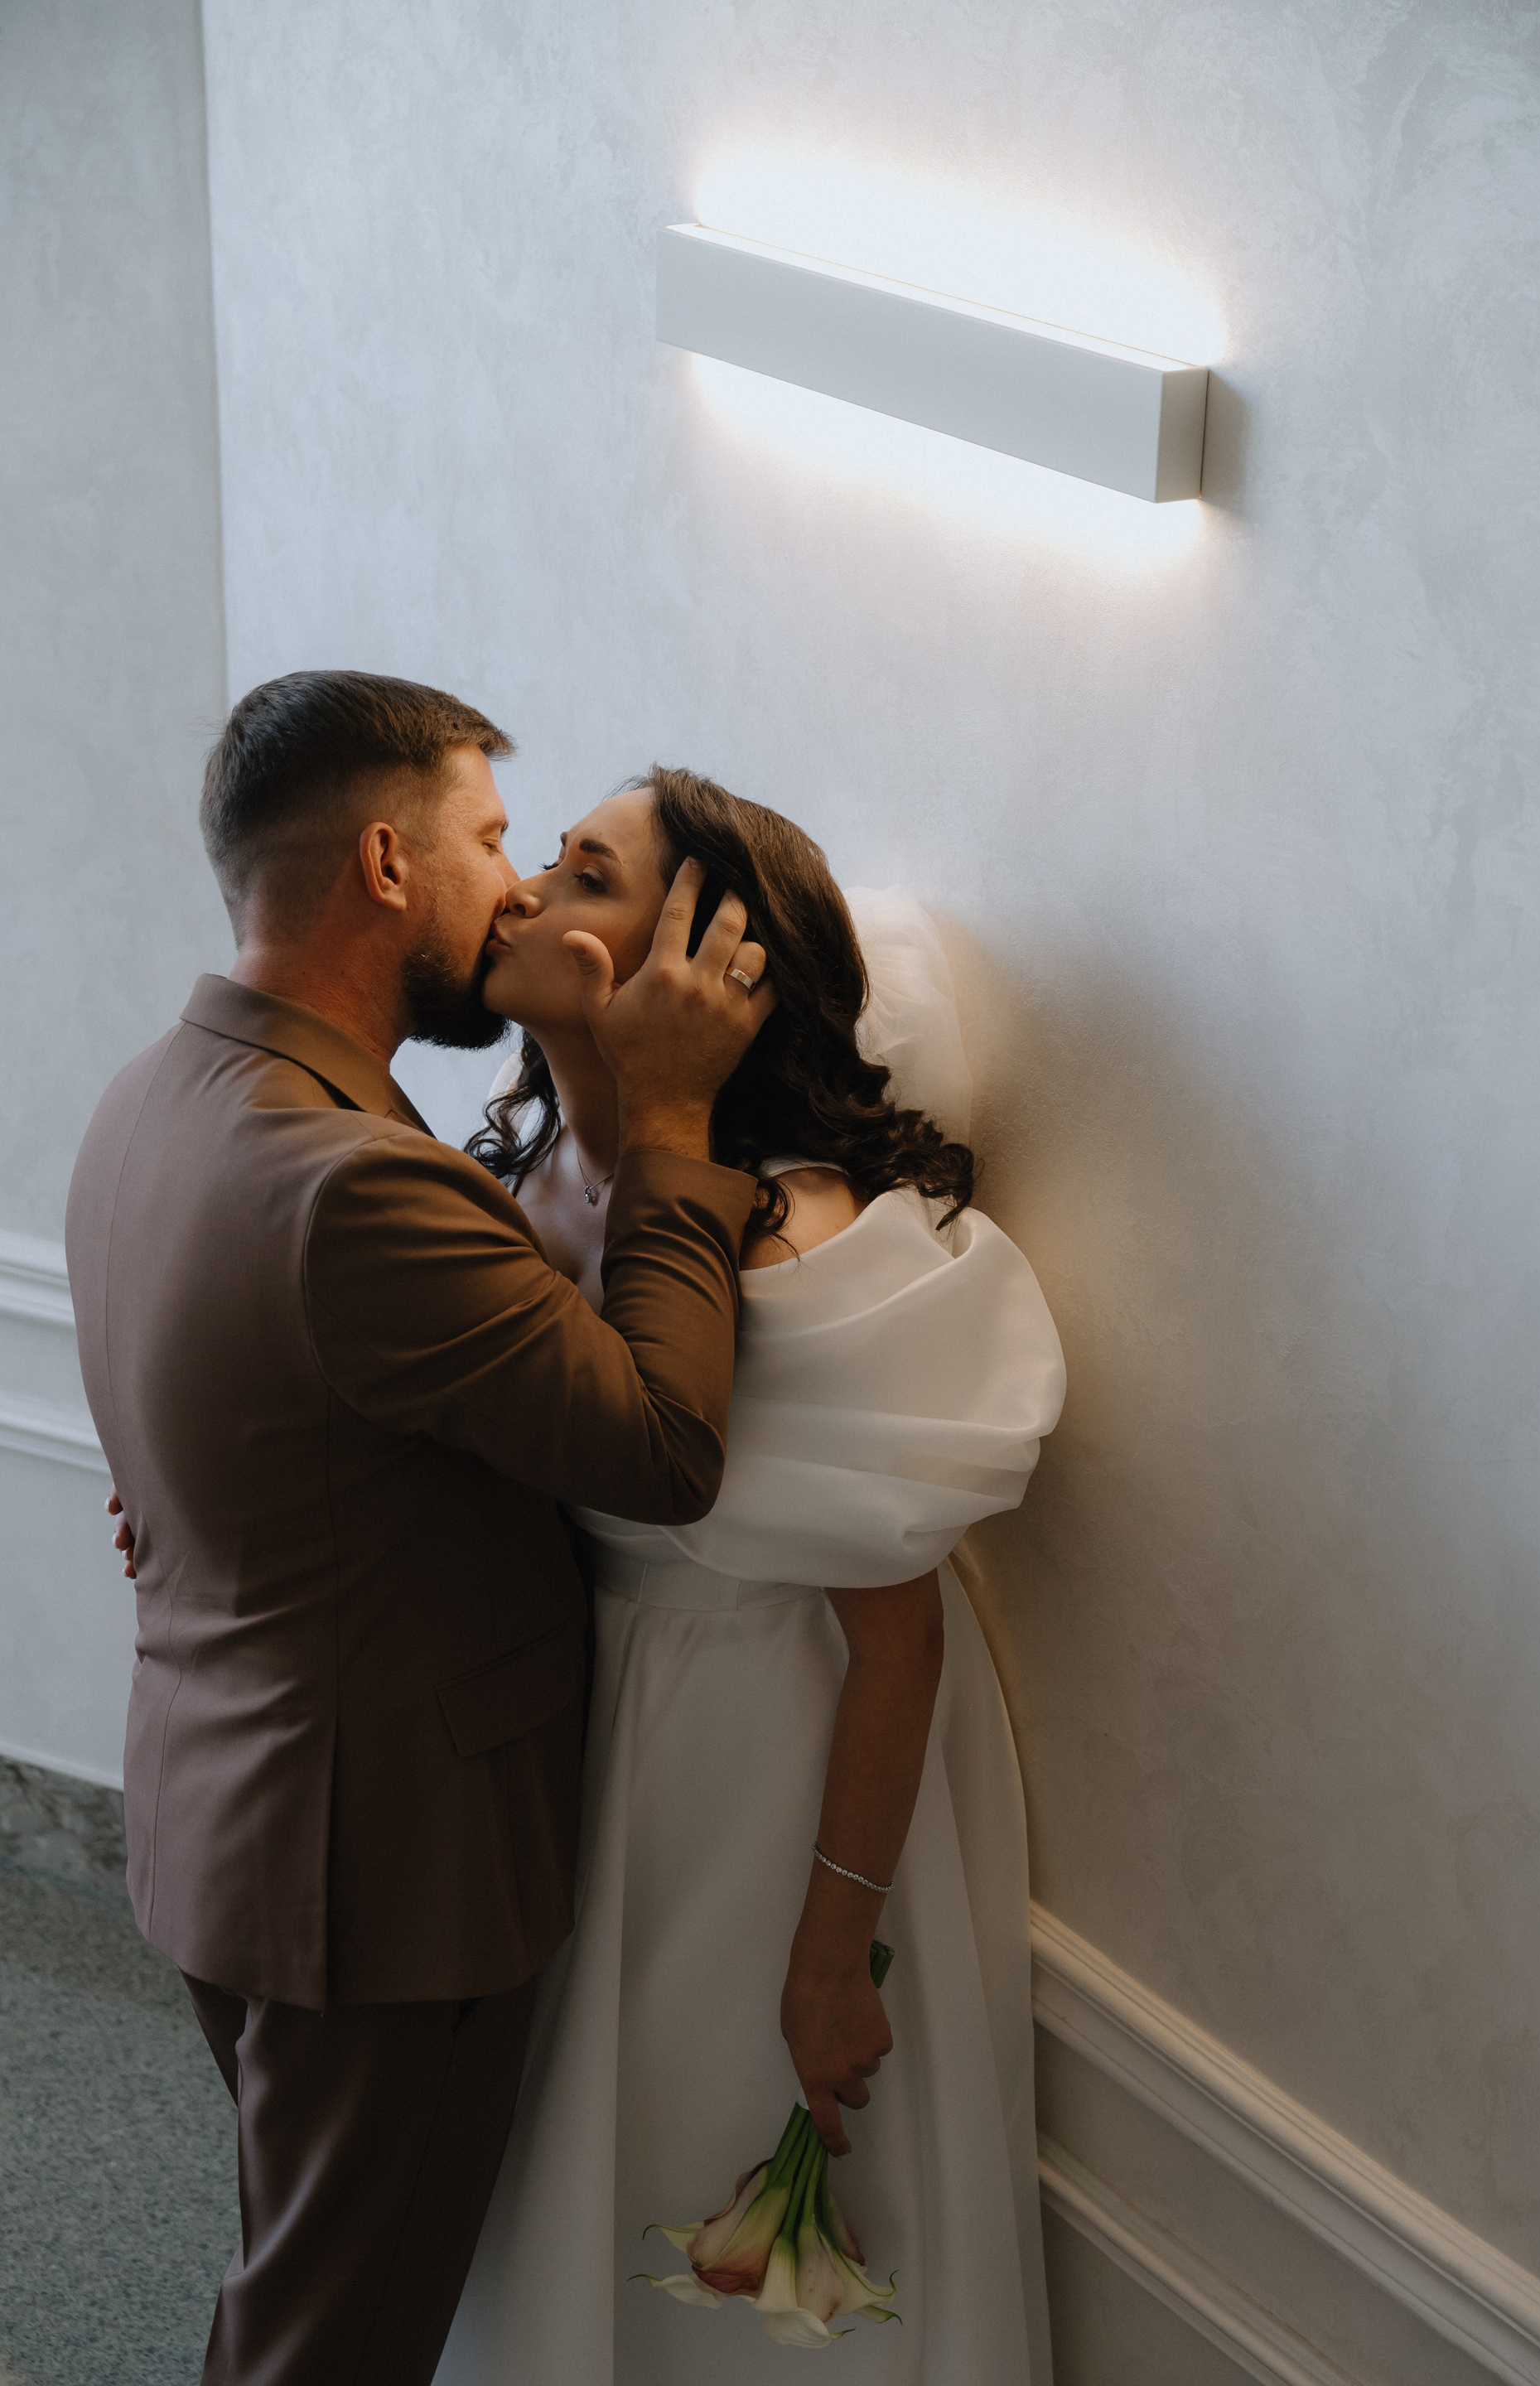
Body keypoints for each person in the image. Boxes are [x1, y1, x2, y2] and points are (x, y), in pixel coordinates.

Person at [68, 674, 775, 2386]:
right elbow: (666, 1447)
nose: (516, 886)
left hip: (228, 1806)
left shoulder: (154, 1093)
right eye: (492, 838)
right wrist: (678, 1120)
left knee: (302, 2279)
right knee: (331, 2343)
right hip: (378, 1874)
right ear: (388, 864)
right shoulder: (357, 1182)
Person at [436, 768, 1066, 2386]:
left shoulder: (791, 1243)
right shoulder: (520, 1165)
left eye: (585, 874)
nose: (520, 895)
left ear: (707, 966)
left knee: (711, 2113)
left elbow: (901, 1643)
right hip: (595, 1714)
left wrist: (829, 1954)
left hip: (775, 1745)